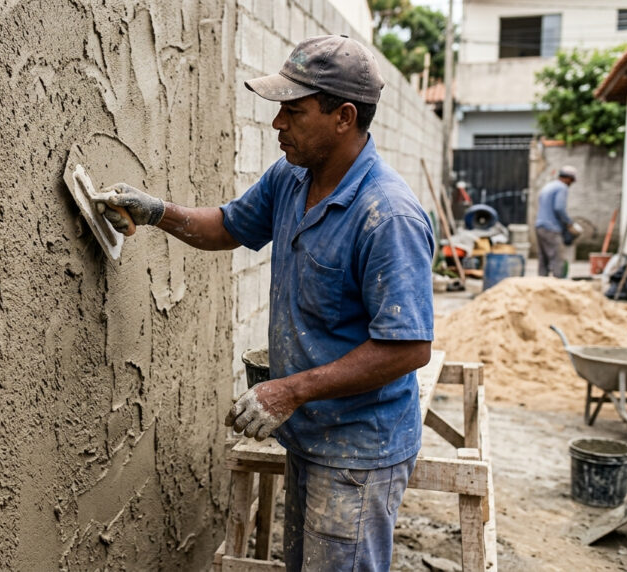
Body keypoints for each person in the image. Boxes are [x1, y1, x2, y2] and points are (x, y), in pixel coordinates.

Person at [94, 35, 434, 571]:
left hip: (358, 452)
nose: (278, 124)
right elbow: (229, 226)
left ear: (344, 117)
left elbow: (409, 348)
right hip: (312, 433)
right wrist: (157, 211)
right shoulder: (294, 176)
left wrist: (290, 390)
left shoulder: (387, 216)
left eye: (293, 111)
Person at [534, 166, 579, 277]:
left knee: (543, 258)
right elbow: (559, 208)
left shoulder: (548, 186)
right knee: (557, 258)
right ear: (568, 178)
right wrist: (569, 223)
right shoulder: (561, 188)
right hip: (551, 228)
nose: (571, 183)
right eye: (571, 181)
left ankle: (541, 282)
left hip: (540, 226)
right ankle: (557, 284)